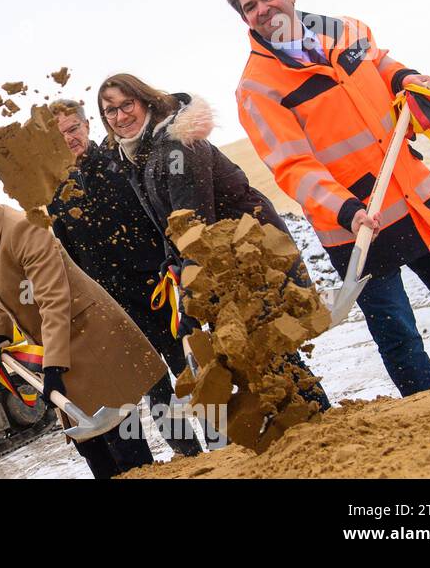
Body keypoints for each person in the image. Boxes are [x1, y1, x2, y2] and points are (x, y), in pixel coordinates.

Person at [225, 0, 430, 396]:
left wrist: (406, 78)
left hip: (414, 196)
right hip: (353, 227)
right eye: (250, 7)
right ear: (245, 19)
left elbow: (380, 64)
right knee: (398, 336)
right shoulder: (257, 89)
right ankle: (429, 412)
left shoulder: (347, 30)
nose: (262, 9)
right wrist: (346, 210)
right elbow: (292, 166)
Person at [96, 72, 330, 411]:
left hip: (248, 250)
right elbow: (169, 221)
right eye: (110, 111)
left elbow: (195, 223)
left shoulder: (177, 147)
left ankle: (317, 417)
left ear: (144, 101)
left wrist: (192, 289)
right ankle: (292, 424)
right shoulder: (140, 156)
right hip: (217, 259)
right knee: (245, 352)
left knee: (266, 345)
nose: (120, 116)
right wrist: (171, 262)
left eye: (126, 104)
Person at [0, 162, 166, 478]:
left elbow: (54, 301)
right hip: (55, 345)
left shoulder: (23, 229)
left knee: (123, 444)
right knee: (92, 449)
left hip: (89, 336)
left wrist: (53, 366)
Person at [48, 99, 203, 458]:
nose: (70, 138)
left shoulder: (121, 162)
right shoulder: (56, 194)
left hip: (160, 291)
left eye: (74, 128)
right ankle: (191, 455)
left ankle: (224, 442)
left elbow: (157, 215)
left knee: (193, 369)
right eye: (61, 135)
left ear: (88, 125)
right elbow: (70, 257)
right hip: (116, 311)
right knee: (156, 388)